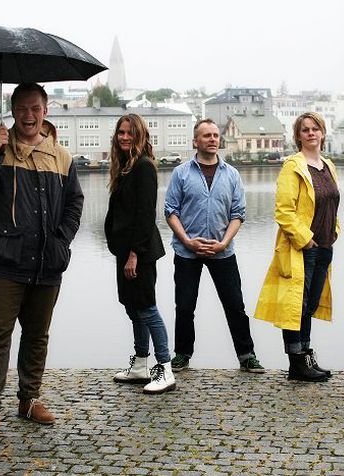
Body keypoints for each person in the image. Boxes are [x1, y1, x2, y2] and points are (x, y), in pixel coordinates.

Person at [0, 83, 84, 437]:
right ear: (13, 111)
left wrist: (61, 240)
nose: (29, 116)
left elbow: (74, 204)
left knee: (37, 335)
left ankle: (29, 399)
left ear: (45, 111)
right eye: (22, 109)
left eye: (35, 108)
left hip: (47, 263)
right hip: (4, 262)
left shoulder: (61, 157)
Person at [164, 119, 265, 374]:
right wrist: (187, 240)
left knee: (235, 305)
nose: (212, 139)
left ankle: (247, 355)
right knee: (185, 306)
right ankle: (182, 354)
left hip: (223, 250)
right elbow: (170, 211)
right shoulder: (181, 173)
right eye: (206, 135)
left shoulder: (231, 174)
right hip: (187, 251)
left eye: (216, 135)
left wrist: (224, 243)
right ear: (195, 141)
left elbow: (238, 213)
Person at [255, 112, 340, 382]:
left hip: (325, 245)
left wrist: (335, 230)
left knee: (311, 304)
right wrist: (305, 238)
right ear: (298, 136)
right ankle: (297, 362)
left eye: (316, 128)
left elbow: (333, 203)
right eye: (305, 130)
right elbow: (283, 211)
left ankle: (306, 355)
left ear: (323, 133)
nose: (311, 133)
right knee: (297, 306)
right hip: (303, 247)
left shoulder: (328, 165)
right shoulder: (293, 166)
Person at [104, 114, 175, 394]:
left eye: (129, 133)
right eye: (120, 132)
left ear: (140, 136)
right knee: (133, 308)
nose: (123, 137)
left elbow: (146, 214)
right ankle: (141, 364)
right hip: (125, 250)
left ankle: (164, 368)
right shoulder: (125, 168)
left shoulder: (144, 167)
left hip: (140, 251)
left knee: (147, 308)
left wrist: (134, 253)